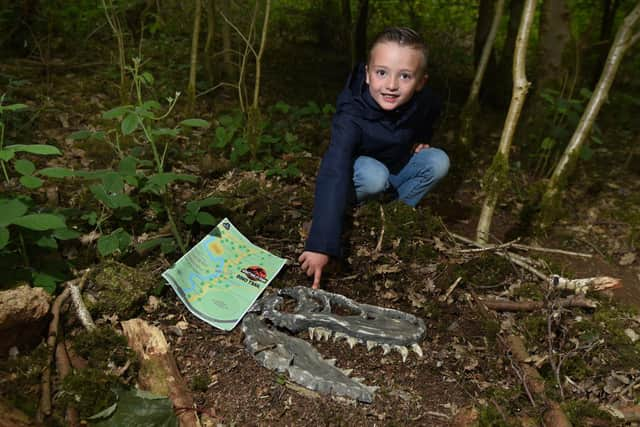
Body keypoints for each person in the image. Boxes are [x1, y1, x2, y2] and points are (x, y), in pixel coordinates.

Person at [299, 27, 450, 289]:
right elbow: (335, 169)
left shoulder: (423, 100)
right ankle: (354, 210)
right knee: (374, 176)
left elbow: (433, 109)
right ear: (368, 74)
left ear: (420, 82)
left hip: (396, 166)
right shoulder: (351, 112)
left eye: (404, 76)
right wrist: (321, 245)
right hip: (360, 175)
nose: (391, 85)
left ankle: (392, 217)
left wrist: (423, 137)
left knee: (437, 161)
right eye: (382, 73)